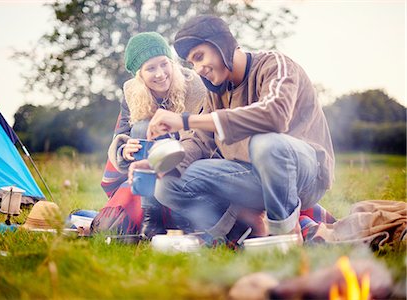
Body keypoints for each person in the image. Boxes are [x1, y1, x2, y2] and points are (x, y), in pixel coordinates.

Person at [129, 15, 335, 244]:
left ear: (221, 45)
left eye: (199, 57)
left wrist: (186, 120)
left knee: (266, 144)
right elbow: (200, 142)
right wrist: (158, 165)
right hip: (250, 177)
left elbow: (274, 115)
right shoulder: (216, 92)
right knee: (167, 186)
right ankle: (243, 231)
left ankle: (284, 233)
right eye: (191, 63)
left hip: (303, 176)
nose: (197, 69)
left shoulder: (275, 65)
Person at [92, 32, 206, 239]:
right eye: (151, 68)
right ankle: (150, 217)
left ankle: (181, 214)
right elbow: (122, 133)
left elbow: (200, 135)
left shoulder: (193, 84)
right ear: (140, 75)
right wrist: (124, 149)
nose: (160, 73)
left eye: (164, 64)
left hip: (189, 150)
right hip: (149, 158)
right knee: (141, 128)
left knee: (152, 127)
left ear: (171, 62)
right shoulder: (131, 92)